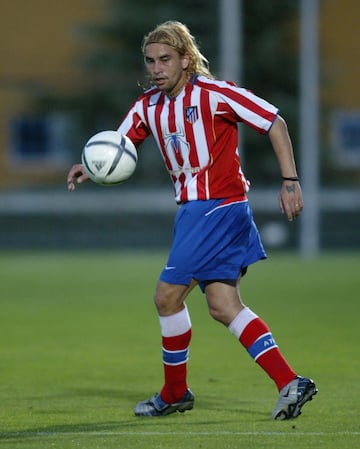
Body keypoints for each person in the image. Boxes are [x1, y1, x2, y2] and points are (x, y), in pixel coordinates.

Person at [67, 20, 317, 420]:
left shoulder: (216, 94)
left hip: (216, 208)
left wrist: (290, 180)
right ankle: (290, 382)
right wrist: (90, 166)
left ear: (186, 59)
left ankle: (174, 392)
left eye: (165, 59)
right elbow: (119, 146)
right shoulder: (148, 105)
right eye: (150, 61)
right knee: (223, 305)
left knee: (166, 297)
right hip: (199, 212)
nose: (156, 68)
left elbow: (274, 122)